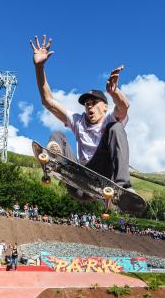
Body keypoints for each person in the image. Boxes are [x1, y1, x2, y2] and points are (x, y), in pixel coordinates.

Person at [31, 35, 133, 199]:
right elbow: (48, 101)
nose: (89, 106)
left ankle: (123, 188)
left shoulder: (110, 119)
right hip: (78, 182)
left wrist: (114, 93)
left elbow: (124, 107)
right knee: (57, 135)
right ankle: (53, 162)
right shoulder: (78, 121)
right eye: (87, 104)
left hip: (102, 180)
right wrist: (39, 68)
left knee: (116, 128)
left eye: (94, 102)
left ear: (105, 107)